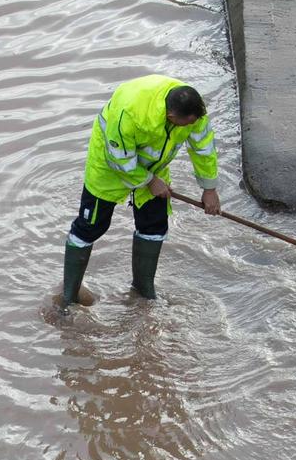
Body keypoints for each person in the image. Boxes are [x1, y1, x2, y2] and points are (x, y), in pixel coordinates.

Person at [60, 77, 221, 306]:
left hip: (154, 167)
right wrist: (149, 181)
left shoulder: (194, 113)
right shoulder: (129, 112)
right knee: (91, 227)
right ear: (171, 117)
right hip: (109, 168)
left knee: (154, 225)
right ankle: (69, 298)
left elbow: (203, 149)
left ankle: (143, 292)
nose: (189, 127)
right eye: (185, 125)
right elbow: (119, 159)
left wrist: (209, 189)